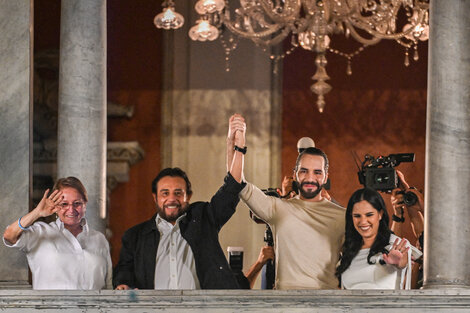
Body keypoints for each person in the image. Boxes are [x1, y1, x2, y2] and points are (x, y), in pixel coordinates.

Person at [113, 114, 246, 290]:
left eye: (178, 193)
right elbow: (124, 271)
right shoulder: (135, 236)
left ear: (188, 196)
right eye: (165, 193)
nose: (171, 199)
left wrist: (235, 144)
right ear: (155, 197)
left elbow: (232, 188)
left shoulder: (203, 219)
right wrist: (123, 284)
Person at [233, 117, 345, 289]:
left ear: (325, 177)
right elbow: (238, 184)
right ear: (295, 174)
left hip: (327, 305)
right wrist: (236, 146)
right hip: (285, 305)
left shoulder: (342, 216)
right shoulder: (278, 208)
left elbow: (367, 256)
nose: (310, 178)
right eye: (304, 171)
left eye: (317, 172)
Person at [3, 177, 112, 290]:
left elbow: (108, 285)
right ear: (55, 205)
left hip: (95, 307)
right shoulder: (40, 233)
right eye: (64, 204)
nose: (71, 210)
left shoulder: (99, 239)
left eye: (77, 203)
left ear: (85, 204)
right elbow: (9, 235)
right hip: (50, 307)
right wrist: (37, 213)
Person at [336, 188, 421, 289]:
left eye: (369, 215)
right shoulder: (348, 250)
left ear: (380, 214)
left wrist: (401, 266)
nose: (363, 222)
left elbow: (406, 282)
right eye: (357, 216)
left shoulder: (396, 245)